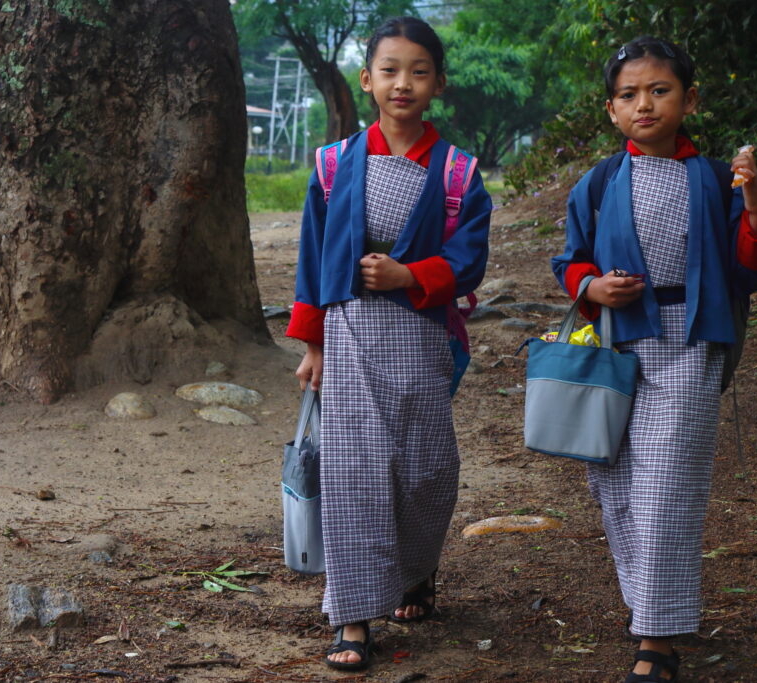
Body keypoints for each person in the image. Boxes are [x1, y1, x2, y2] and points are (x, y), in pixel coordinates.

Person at [551, 36, 757, 682]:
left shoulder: (711, 179)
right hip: (618, 343)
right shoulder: (598, 183)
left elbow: (748, 265)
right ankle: (652, 597)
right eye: (629, 94)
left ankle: (656, 637)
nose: (645, 103)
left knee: (668, 485)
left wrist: (755, 204)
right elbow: (570, 260)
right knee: (617, 482)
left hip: (690, 339)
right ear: (611, 110)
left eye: (660, 90)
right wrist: (592, 287)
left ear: (689, 99)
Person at [285, 16, 491, 673]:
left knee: (427, 471)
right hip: (348, 334)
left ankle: (417, 570)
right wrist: (312, 342)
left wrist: (411, 275)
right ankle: (352, 616)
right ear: (367, 79)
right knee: (352, 473)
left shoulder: (459, 172)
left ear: (439, 83)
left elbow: (470, 253)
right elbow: (314, 258)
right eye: (390, 70)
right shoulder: (333, 164)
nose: (403, 83)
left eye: (419, 70)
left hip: (424, 335)